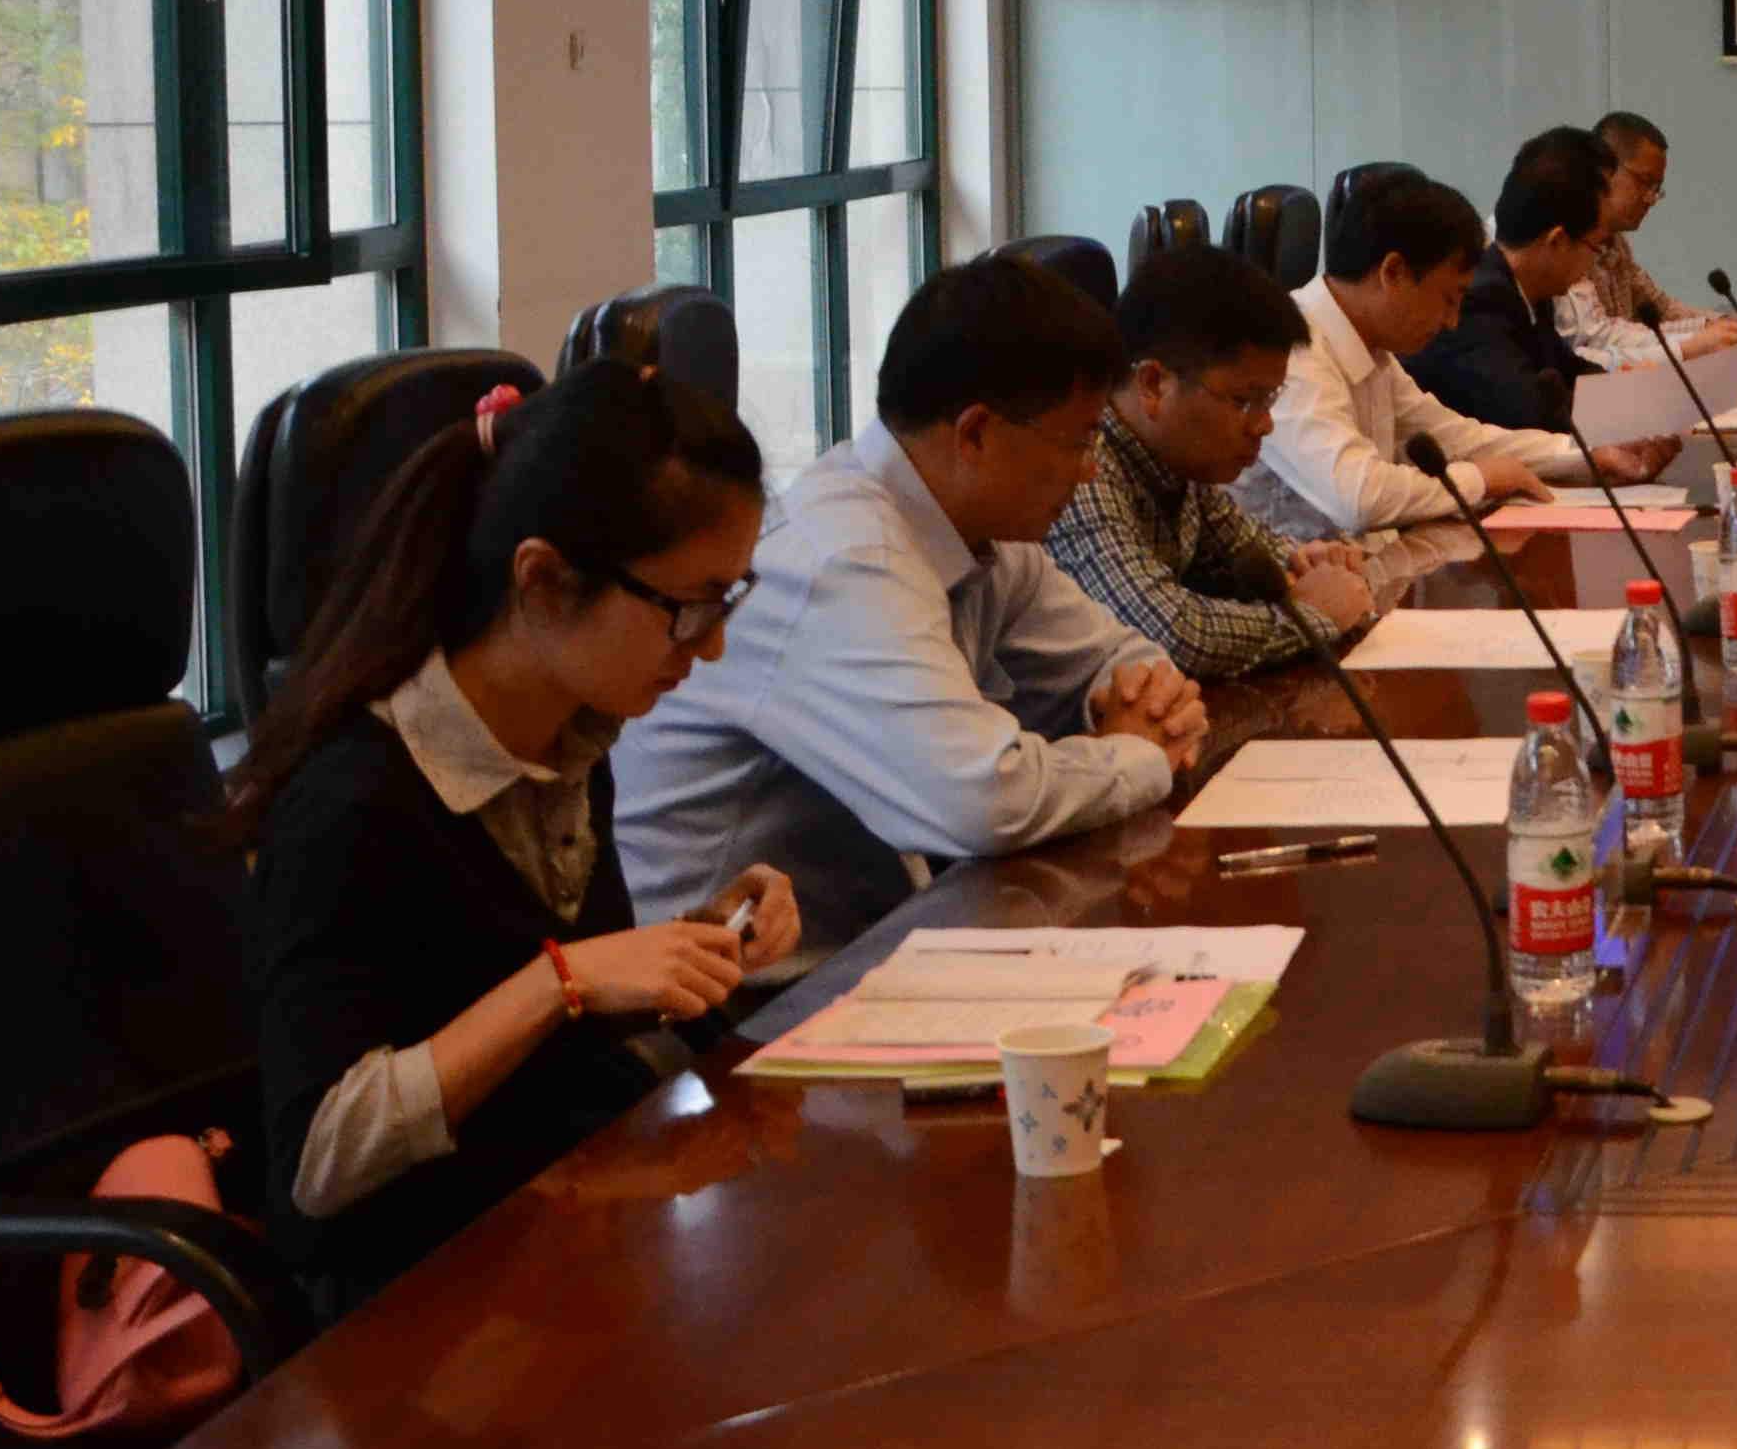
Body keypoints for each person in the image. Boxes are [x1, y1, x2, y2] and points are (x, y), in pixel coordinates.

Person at [240, 364, 801, 1307]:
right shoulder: (352, 802)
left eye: (727, 601)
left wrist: (695, 946)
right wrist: (560, 981)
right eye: (688, 607)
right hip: (420, 1304)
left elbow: (547, 1041)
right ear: (541, 579)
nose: (709, 647)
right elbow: (317, 1166)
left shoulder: (572, 737)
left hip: (567, 1231)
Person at [616, 255, 1210, 955]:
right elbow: (981, 801)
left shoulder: (984, 532)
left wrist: (1146, 700)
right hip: (732, 988)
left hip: (870, 943)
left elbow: (1121, 655)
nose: (1090, 471)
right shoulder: (841, 559)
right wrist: (1136, 755)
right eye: (1080, 442)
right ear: (976, 434)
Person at [1051, 243, 1389, 680]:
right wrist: (1314, 618)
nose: (1265, 425)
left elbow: (1250, 549)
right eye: (1244, 401)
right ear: (1153, 384)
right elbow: (1174, 635)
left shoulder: (1179, 464)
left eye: (1270, 399)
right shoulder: (1083, 467)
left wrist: (1309, 561)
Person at [1250, 167, 1637, 536]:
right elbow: (1359, 497)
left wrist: (1586, 455)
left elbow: (1456, 438)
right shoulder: (1294, 349)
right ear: (1393, 272)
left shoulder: (1373, 347)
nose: (1452, 322)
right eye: (1449, 299)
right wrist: (1481, 479)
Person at [1419, 149, 1635, 440]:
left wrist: (1630, 395)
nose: (1591, 266)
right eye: (1595, 248)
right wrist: (1627, 418)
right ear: (1557, 241)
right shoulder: (1479, 300)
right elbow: (1531, 413)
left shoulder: (1528, 292)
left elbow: (1569, 369)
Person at [1577, 109, 1737, 359]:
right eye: (1644, 181)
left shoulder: (1616, 242)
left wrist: (1723, 326)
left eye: (1656, 187)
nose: (1651, 198)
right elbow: (1597, 337)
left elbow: (1661, 308)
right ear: (1604, 170)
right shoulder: (1568, 241)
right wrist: (1698, 341)